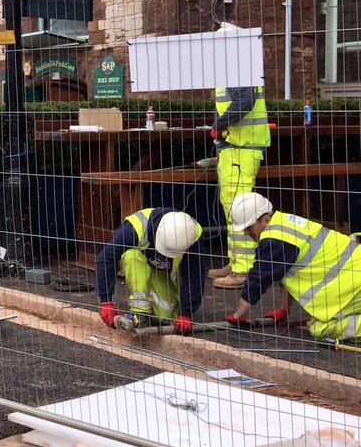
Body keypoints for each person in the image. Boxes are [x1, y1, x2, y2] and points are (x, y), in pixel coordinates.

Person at [226, 194, 361, 341]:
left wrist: (238, 315)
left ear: (264, 220)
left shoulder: (273, 240)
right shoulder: (284, 223)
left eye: (247, 227)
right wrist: (284, 309)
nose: (246, 232)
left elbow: (257, 280)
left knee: (320, 329)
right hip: (354, 279)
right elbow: (286, 269)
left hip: (353, 287)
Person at [96, 209, 206, 332]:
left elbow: (195, 275)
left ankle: (158, 311)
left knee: (164, 318)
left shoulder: (192, 234)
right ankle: (140, 312)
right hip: (143, 270)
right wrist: (106, 302)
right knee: (130, 255)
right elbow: (105, 259)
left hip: (169, 278)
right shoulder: (135, 227)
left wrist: (186, 311)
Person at [209, 84, 270, 289]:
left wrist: (219, 123)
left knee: (239, 207)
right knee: (231, 206)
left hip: (241, 148)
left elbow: (243, 102)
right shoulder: (234, 65)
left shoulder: (237, 66)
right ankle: (236, 263)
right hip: (235, 147)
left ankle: (243, 269)